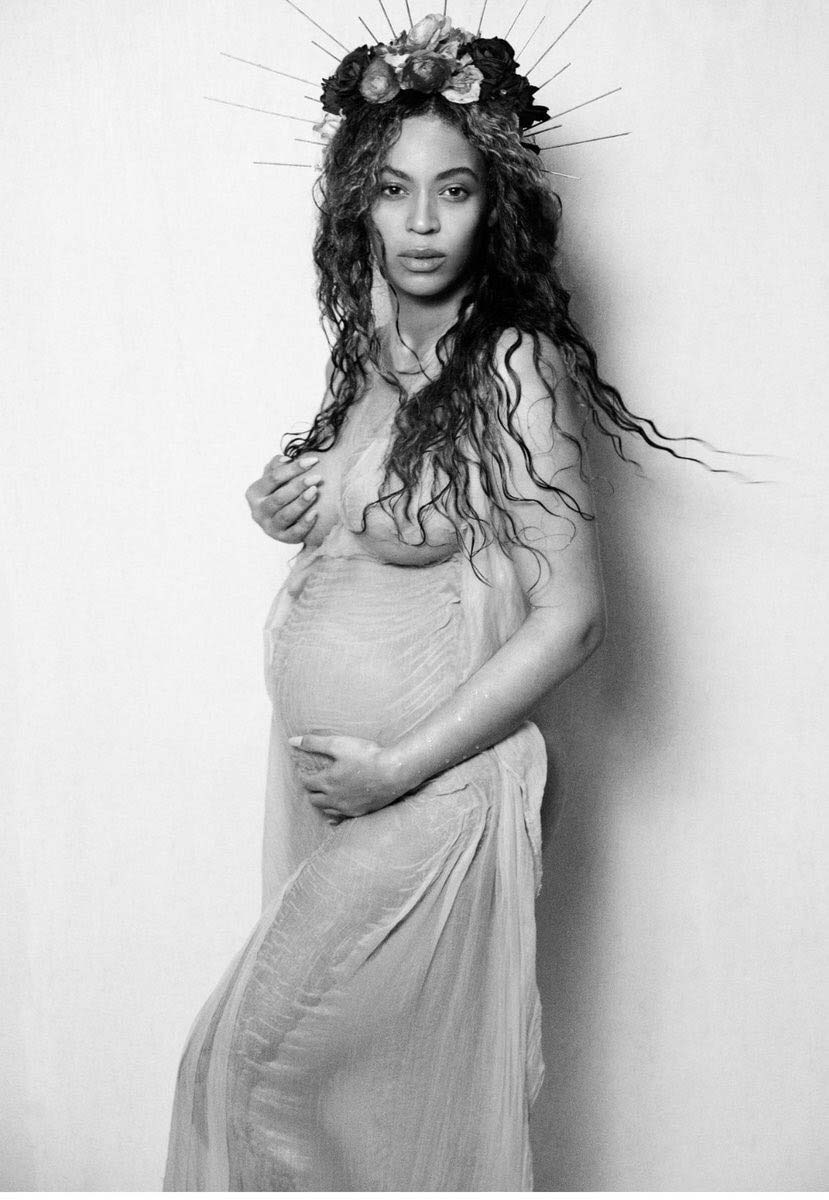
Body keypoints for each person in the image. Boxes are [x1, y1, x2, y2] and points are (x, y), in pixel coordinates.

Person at [163, 14, 688, 1190]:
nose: (420, 222)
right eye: (395, 190)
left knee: (245, 1069)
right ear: (359, 200)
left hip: (434, 791)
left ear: (492, 206)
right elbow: (373, 523)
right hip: (359, 795)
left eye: (451, 191)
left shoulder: (512, 368)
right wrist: (282, 503)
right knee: (320, 1097)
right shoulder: (377, 357)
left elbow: (572, 616)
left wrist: (394, 768)